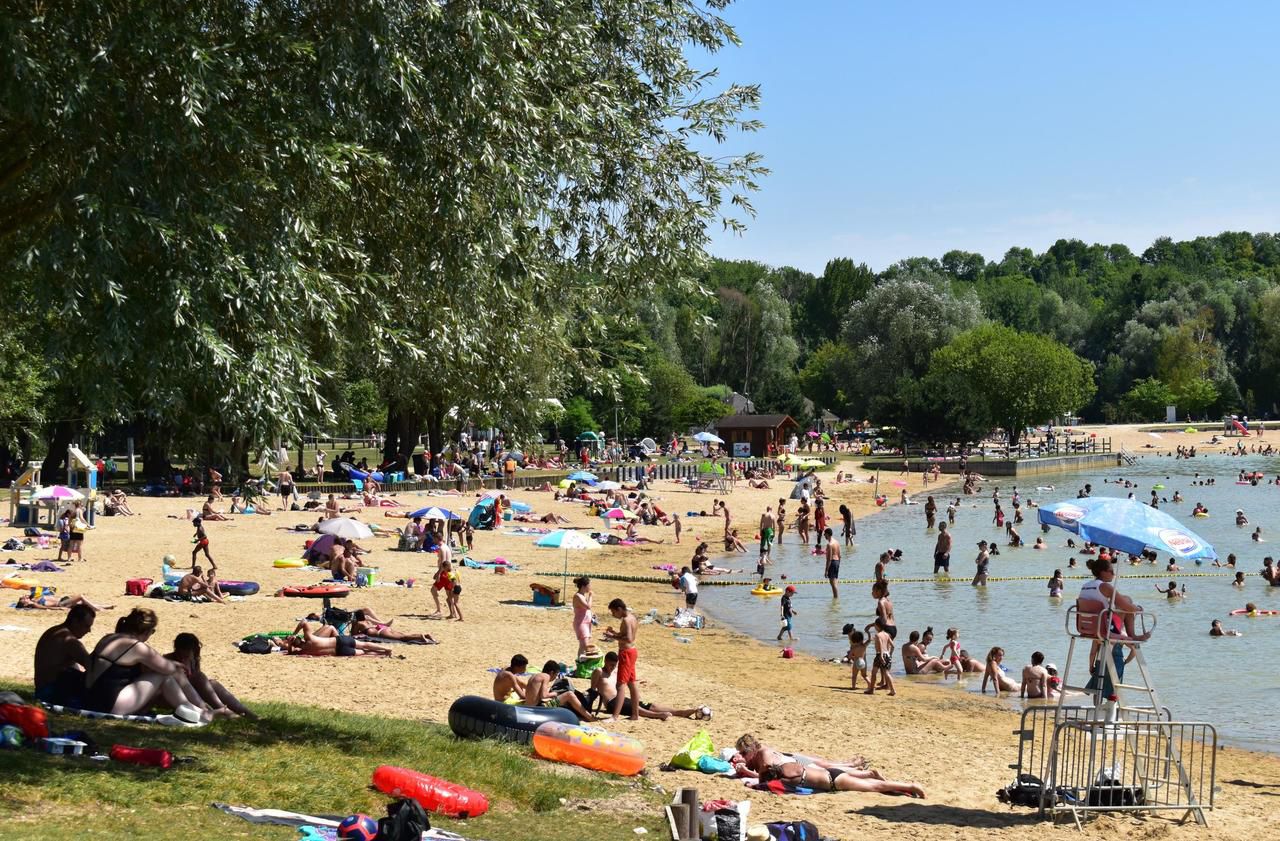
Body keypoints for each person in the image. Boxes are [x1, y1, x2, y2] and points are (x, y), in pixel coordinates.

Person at [82, 608, 221, 718]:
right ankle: (202, 711)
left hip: (90, 698)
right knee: (166, 675)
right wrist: (178, 665)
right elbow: (168, 668)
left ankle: (199, 709)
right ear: (147, 630)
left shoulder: (109, 638)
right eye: (152, 631)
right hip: (108, 705)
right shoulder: (136, 646)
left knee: (163, 674)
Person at [1079, 556, 1149, 700]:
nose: (1113, 574)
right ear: (1103, 572)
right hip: (1104, 628)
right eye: (1111, 571)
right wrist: (1138, 609)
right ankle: (1133, 635)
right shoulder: (1105, 586)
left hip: (1086, 627)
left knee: (1125, 602)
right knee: (1128, 601)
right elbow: (1126, 606)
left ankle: (1132, 635)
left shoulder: (1086, 585)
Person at [588, 651, 710, 720]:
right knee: (637, 709)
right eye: (610, 665)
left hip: (622, 698)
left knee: (651, 705)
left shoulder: (615, 672)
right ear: (605, 662)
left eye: (614, 665)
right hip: (612, 703)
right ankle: (659, 716)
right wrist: (590, 708)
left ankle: (681, 712)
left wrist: (639, 681)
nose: (612, 667)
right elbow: (593, 689)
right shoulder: (598, 671)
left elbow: (625, 681)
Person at [165, 633, 256, 717]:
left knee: (213, 683)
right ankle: (223, 710)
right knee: (200, 677)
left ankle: (247, 713)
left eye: (188, 651)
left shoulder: (193, 659)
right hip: (175, 696)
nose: (184, 655)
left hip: (190, 694)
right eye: (182, 651)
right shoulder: (169, 660)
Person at [33, 603, 96, 706]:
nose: (89, 631)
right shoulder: (68, 640)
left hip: (42, 690)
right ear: (75, 622)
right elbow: (92, 667)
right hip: (50, 693)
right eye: (86, 626)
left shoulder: (54, 631)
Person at [518, 660, 597, 720]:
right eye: (556, 674)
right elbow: (544, 696)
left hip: (527, 706)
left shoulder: (536, 676)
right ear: (552, 672)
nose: (555, 677)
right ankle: (589, 716)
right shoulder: (546, 676)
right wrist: (556, 693)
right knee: (569, 694)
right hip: (538, 709)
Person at [603, 598, 640, 721]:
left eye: (614, 612)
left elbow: (629, 639)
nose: (614, 615)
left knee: (620, 685)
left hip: (626, 653)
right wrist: (615, 633)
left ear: (619, 609)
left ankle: (615, 716)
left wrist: (613, 636)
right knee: (632, 683)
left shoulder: (626, 620)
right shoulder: (632, 617)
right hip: (632, 652)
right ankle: (635, 714)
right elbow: (627, 636)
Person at [281, 620, 392, 656]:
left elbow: (291, 653)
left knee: (363, 652)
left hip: (339, 651)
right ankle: (385, 649)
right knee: (364, 645)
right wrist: (294, 633)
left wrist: (290, 644)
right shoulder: (310, 638)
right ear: (300, 639)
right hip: (339, 640)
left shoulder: (305, 651)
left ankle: (382, 653)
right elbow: (303, 622)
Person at [352, 610, 436, 643]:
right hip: (382, 628)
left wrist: (353, 624)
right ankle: (425, 635)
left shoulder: (358, 623)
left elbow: (353, 634)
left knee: (401, 638)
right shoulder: (367, 620)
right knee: (403, 635)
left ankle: (421, 636)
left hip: (380, 632)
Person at [863, 617, 895, 696]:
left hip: (879, 655)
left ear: (877, 626)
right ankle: (892, 690)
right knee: (887, 673)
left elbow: (880, 644)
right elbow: (893, 646)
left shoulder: (878, 635)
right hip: (887, 654)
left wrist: (880, 655)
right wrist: (890, 654)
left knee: (874, 673)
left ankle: (871, 689)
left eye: (875, 626)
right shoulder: (887, 635)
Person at [572, 576, 594, 657]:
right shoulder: (577, 596)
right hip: (581, 623)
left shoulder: (583, 596)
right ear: (584, 586)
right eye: (589, 585)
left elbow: (586, 610)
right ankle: (580, 664)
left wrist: (592, 616)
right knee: (584, 646)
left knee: (583, 646)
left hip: (586, 623)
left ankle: (581, 664)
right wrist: (591, 596)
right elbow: (588, 606)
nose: (590, 587)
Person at [823, 527, 840, 599]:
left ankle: (835, 598)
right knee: (835, 582)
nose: (824, 536)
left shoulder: (829, 544)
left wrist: (826, 570)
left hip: (832, 562)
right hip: (837, 562)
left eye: (825, 534)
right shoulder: (836, 542)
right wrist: (838, 564)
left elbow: (829, 558)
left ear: (828, 534)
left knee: (832, 583)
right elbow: (840, 555)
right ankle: (836, 598)